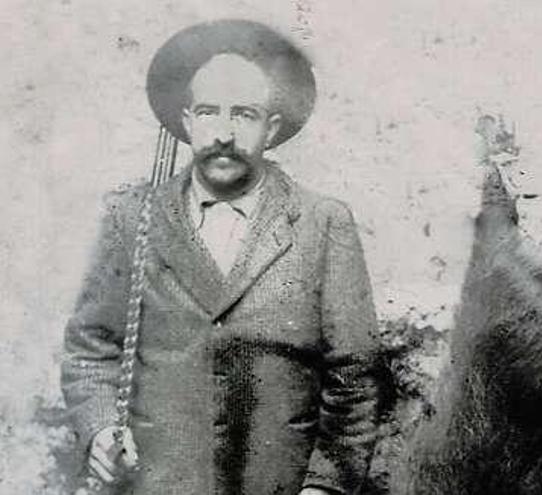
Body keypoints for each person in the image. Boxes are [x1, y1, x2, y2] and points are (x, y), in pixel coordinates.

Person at [61, 19, 380, 495]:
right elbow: (90, 347)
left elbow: (354, 377)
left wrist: (326, 485)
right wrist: (101, 429)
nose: (224, 134)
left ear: (271, 129)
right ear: (187, 122)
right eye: (209, 113)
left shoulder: (321, 223)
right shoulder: (133, 219)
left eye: (244, 115)